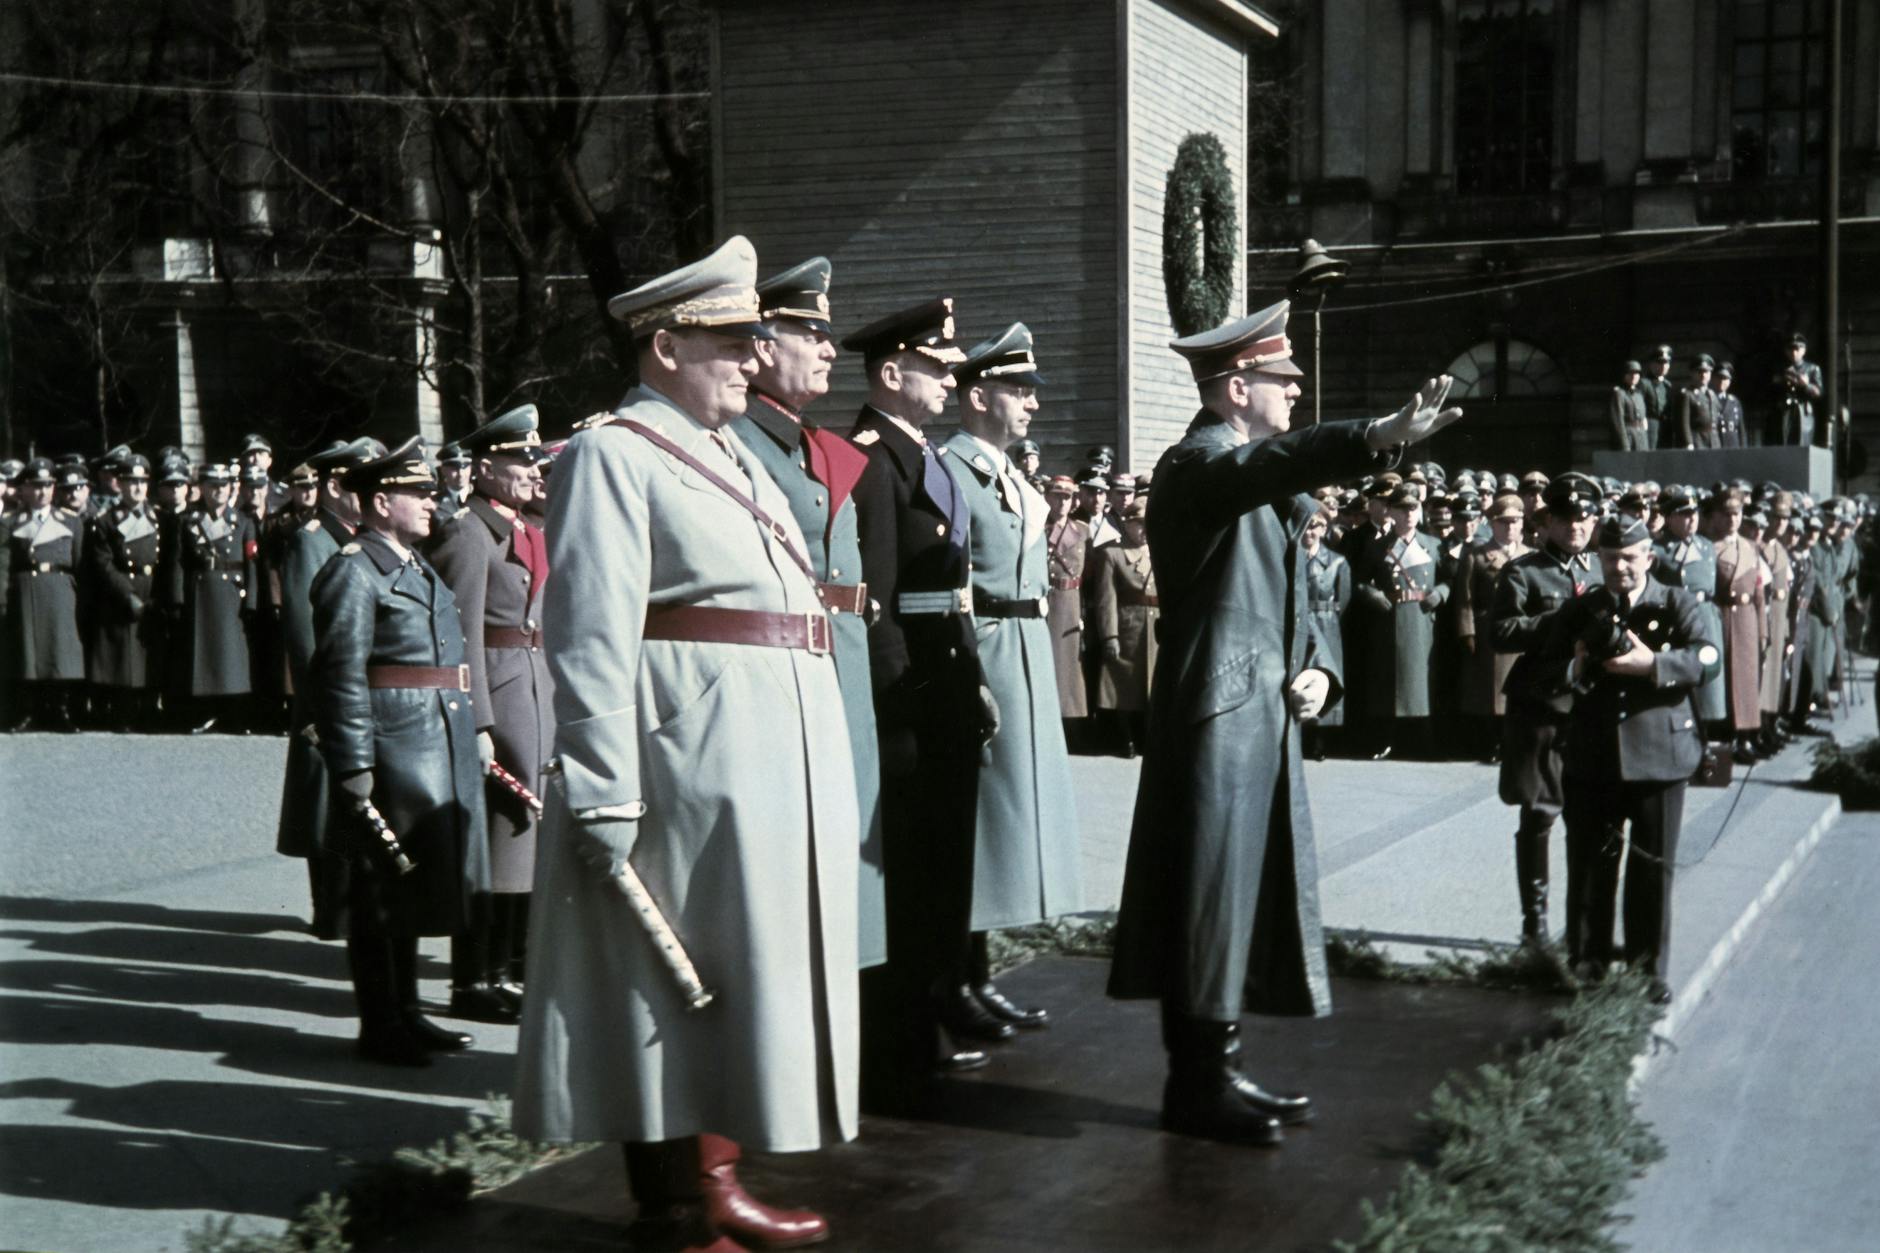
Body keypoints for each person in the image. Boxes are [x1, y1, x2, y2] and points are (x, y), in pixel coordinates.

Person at [514, 237, 855, 1253]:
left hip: (754, 757)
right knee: (663, 984)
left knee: (730, 975)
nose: (753, 359)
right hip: (682, 759)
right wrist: (605, 785)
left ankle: (715, 1179)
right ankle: (675, 1204)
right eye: (731, 341)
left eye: (754, 340)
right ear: (666, 346)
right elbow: (588, 630)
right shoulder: (614, 453)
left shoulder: (728, 453)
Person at [1107, 296, 1464, 1147]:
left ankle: (1218, 1068)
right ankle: (1197, 1083)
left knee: (1237, 893)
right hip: (1217, 712)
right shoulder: (1196, 464)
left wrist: (1320, 667)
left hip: (1254, 708)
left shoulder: (1257, 482)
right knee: (1209, 895)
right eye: (1282, 378)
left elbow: (1301, 597)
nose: (1296, 392)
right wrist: (1372, 436)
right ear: (1236, 388)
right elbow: (1268, 467)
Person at [841, 295, 997, 1106]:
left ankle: (927, 1023)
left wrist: (973, 677)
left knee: (941, 872)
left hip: (946, 685)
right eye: (935, 368)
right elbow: (875, 599)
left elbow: (952, 586)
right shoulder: (871, 462)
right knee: (908, 876)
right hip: (912, 695)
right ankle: (896, 1048)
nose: (948, 380)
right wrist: (895, 712)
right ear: (893, 373)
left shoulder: (921, 456)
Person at [728, 255, 887, 974]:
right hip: (783, 673)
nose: (828, 349)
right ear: (762, 346)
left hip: (841, 662)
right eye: (811, 335)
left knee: (845, 850)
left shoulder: (809, 445)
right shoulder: (734, 445)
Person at [309, 437, 489, 1066]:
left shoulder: (411, 564)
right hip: (391, 747)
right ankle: (380, 1023)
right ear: (381, 503)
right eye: (418, 493)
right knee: (379, 890)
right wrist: (354, 763)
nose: (432, 502)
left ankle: (407, 1012)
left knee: (407, 887)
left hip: (426, 741)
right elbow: (340, 674)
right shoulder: (354, 570)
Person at [942, 321, 1081, 1037]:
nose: (1032, 402)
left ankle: (980, 971)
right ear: (977, 396)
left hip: (1026, 648)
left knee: (1006, 824)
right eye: (1017, 389)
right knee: (977, 821)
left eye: (1031, 390)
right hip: (988, 647)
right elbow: (948, 582)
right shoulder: (949, 470)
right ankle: (956, 979)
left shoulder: (1012, 475)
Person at [1528, 512, 1716, 1003]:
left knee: (1652, 871)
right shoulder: (1581, 609)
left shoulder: (1675, 602)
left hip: (1661, 759)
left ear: (1648, 557)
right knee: (1591, 867)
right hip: (1595, 759)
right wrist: (1574, 667)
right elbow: (1541, 670)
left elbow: (1708, 658)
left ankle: (1646, 973)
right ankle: (1587, 967)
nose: (1620, 567)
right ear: (1598, 559)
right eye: (1610, 558)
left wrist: (1654, 664)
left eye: (1630, 557)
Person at [427, 404, 556, 1025]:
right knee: (494, 843)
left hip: (535, 691)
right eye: (518, 460)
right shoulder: (469, 534)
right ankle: (475, 978)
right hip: (500, 696)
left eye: (533, 459)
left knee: (525, 840)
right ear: (483, 469)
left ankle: (513, 967)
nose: (532, 470)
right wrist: (476, 719)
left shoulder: (524, 528)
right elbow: (459, 635)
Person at [276, 438, 384, 943]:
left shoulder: (358, 537)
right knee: (324, 805)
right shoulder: (312, 540)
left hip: (357, 694)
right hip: (328, 699)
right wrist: (324, 703)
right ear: (336, 486)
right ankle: (330, 914)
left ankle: (346, 911)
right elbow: (304, 635)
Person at [1492, 472, 1603, 944]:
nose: (1575, 526)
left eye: (1583, 518)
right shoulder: (1524, 571)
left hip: (1591, 708)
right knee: (1539, 815)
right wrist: (1558, 621)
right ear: (1547, 522)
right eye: (1565, 518)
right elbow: (1501, 632)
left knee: (1591, 817)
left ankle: (1582, 923)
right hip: (1541, 707)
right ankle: (1534, 924)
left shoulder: (1601, 571)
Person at [1353, 483, 1445, 760]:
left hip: (1422, 617)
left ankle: (1421, 738)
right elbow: (1358, 581)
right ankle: (1386, 738)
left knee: (1421, 681)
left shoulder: (1434, 545)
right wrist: (1372, 594)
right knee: (1389, 681)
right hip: (1389, 619)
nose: (1408, 514)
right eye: (1402, 509)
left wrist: (1441, 593)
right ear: (1391, 511)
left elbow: (1449, 580)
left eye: (1413, 508)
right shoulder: (1377, 547)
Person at [161, 463, 255, 733]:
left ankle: (233, 713)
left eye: (224, 486)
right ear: (201, 488)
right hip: (199, 593)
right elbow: (177, 563)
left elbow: (252, 564)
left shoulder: (243, 521)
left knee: (231, 656)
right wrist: (177, 599)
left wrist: (252, 601)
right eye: (213, 486)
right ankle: (204, 710)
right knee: (202, 654)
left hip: (232, 594)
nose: (219, 491)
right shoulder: (187, 521)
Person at [1, 458, 85, 731]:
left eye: (48, 485)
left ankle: (60, 710)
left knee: (59, 651)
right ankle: (27, 711)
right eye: (36, 486)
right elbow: (3, 565)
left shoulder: (70, 521)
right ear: (24, 489)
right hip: (25, 590)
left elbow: (79, 563)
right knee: (28, 651)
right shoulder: (11, 522)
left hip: (59, 589)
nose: (42, 492)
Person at [84, 454, 159, 732]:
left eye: (142, 481)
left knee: (150, 653)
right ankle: (122, 711)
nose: (137, 487)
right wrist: (127, 594)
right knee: (123, 656)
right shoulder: (107, 521)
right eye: (131, 482)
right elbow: (103, 563)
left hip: (152, 588)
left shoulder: (158, 517)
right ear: (121, 484)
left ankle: (149, 710)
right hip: (122, 591)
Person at [1455, 492, 1529, 761]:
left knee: (1517, 690)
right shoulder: (1477, 555)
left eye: (1515, 521)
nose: (1510, 527)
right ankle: (1492, 742)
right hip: (1489, 628)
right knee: (1490, 692)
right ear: (1493, 524)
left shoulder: (1530, 555)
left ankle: (1513, 742)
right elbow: (1465, 599)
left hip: (1521, 629)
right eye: (1504, 522)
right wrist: (1467, 631)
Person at [1652, 486, 1726, 740]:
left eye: (1694, 513)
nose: (1692, 518)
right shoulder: (1658, 550)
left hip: (1706, 616)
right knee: (1684, 679)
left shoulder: (1706, 546)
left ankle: (1706, 738)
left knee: (1709, 681)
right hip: (1678, 619)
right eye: (1684, 514)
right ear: (1669, 517)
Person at [1091, 496, 1158, 757]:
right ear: (1127, 524)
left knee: (1153, 684)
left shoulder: (1160, 550)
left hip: (1156, 628)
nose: (1145, 530)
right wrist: (1110, 635)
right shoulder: (1113, 554)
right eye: (1139, 523)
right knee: (1125, 686)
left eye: (1149, 523)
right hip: (1129, 627)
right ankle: (1126, 737)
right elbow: (1106, 599)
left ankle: (1147, 736)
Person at [1703, 488, 1765, 762]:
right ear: (1715, 516)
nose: (1732, 520)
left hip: (1747, 619)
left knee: (1747, 679)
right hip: (1722, 616)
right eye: (1726, 514)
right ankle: (1727, 739)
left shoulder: (1751, 547)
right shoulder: (1709, 547)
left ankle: (1746, 736)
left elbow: (1759, 592)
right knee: (1725, 680)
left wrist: (1763, 630)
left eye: (1737, 514)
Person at [1299, 503, 1349, 761]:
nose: (1310, 532)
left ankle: (1320, 741)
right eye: (1306, 526)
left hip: (1326, 624)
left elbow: (1344, 599)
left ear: (1324, 529)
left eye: (1316, 526)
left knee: (1324, 676)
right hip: (1301, 621)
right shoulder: (1292, 557)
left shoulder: (1337, 561)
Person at [1043, 475, 1090, 726]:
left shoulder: (1082, 531)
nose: (1062, 502)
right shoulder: (1038, 528)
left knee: (1069, 664)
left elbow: (1091, 575)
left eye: (1067, 497)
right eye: (1057, 496)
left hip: (1071, 601)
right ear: (1047, 497)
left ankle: (1070, 721)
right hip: (1047, 601)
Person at [1779, 332, 1824, 447]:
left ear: (1803, 350)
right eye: (1790, 349)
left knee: (1803, 444)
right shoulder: (1781, 369)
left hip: (1804, 413)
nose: (1794, 352)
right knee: (1784, 444)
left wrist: (1806, 385)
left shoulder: (1812, 368)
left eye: (1797, 349)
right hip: (1785, 412)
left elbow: (1818, 392)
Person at [1678, 355, 1719, 449]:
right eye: (1699, 372)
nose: (1703, 375)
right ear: (1692, 373)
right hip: (1697, 442)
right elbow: (1684, 423)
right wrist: (1688, 443)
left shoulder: (1712, 395)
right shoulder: (1687, 395)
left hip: (1714, 442)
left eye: (1706, 372)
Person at [1609, 361, 1648, 451]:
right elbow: (1618, 421)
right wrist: (1624, 444)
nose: (1634, 376)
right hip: (1628, 437)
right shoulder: (1619, 394)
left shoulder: (1639, 394)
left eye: (1636, 373)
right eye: (1630, 373)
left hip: (1641, 438)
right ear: (1625, 375)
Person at [1641, 345, 1673, 450]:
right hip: (1650, 428)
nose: (1663, 366)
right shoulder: (1644, 383)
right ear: (1652, 364)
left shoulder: (1668, 385)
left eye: (1666, 363)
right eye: (1660, 362)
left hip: (1666, 428)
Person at [434, 443, 474, 523]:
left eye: (465, 467)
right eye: (454, 469)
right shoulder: (434, 503)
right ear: (443, 470)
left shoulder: (480, 498)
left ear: (470, 468)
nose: (461, 474)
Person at [1715, 362, 1745, 448]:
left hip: (1733, 446)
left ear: (1730, 381)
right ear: (1713, 378)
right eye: (1719, 377)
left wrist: (1743, 450)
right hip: (1716, 446)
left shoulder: (1734, 402)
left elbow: (1741, 430)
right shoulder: (1709, 399)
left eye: (1725, 378)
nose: (1722, 381)